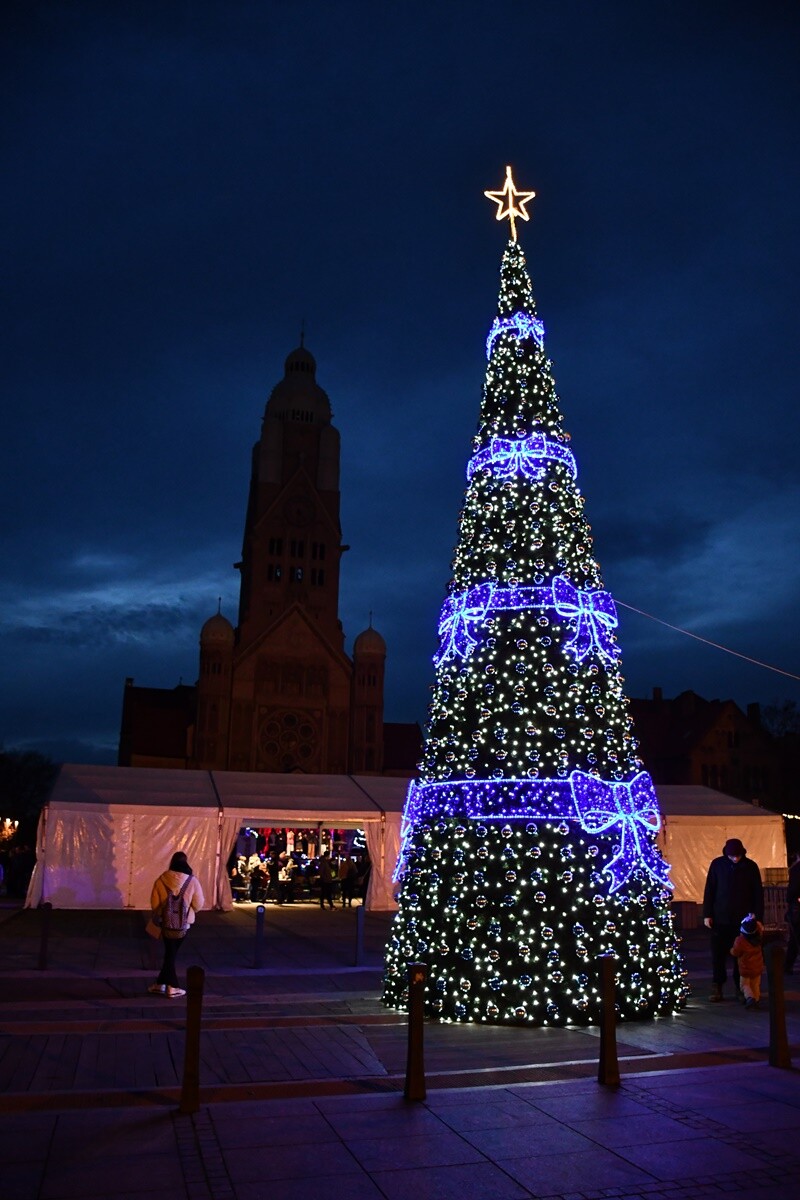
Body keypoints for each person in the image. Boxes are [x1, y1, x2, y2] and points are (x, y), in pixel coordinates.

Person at [702, 838, 763, 1002]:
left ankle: (740, 986)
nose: (735, 859)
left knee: (742, 955)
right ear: (726, 854)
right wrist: (707, 914)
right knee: (718, 954)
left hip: (743, 920)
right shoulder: (717, 864)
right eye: (732, 856)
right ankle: (717, 985)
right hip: (720, 917)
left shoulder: (750, 866)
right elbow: (710, 890)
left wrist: (758, 916)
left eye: (737, 856)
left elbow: (758, 892)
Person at [148, 850, 204, 998]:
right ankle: (172, 987)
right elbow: (198, 904)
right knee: (171, 954)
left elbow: (154, 904)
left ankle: (160, 985)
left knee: (169, 953)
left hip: (165, 923)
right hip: (183, 925)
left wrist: (163, 911)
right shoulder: (192, 881)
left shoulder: (161, 879)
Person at [731, 914, 765, 1008]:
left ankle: (750, 998)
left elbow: (735, 952)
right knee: (755, 985)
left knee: (744, 985)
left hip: (745, 968)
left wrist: (731, 951)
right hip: (757, 967)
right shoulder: (758, 938)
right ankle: (756, 1000)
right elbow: (758, 927)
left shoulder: (740, 940)